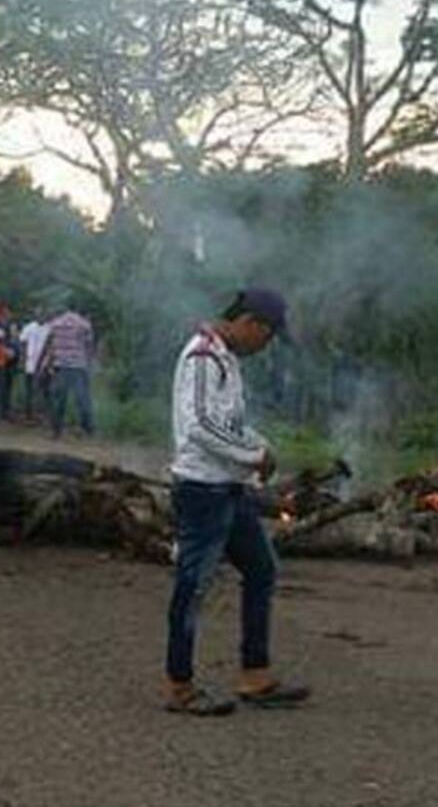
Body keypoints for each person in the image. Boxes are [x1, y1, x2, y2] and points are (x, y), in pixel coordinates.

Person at [164, 288, 310, 716]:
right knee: (192, 586)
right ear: (250, 324)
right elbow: (200, 425)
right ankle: (179, 685)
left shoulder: (226, 358)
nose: (265, 348)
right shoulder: (204, 357)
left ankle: (255, 674)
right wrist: (253, 455)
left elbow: (229, 422)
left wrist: (257, 447)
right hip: (202, 489)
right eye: (266, 337)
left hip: (228, 487)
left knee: (261, 569)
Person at [40, 302, 95, 438]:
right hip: (78, 367)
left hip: (60, 367)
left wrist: (44, 365)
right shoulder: (84, 324)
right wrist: (90, 365)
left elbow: (49, 346)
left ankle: (56, 431)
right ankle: (87, 429)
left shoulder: (55, 323)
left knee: (58, 399)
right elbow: (89, 347)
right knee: (82, 399)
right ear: (78, 309)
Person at [18, 309, 50, 422]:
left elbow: (50, 346)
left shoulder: (49, 328)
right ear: (35, 315)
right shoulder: (29, 327)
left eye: (44, 314)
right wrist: (22, 360)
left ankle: (43, 414)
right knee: (30, 389)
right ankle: (29, 414)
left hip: (44, 364)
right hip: (30, 362)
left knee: (44, 390)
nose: (41, 316)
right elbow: (23, 343)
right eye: (39, 314)